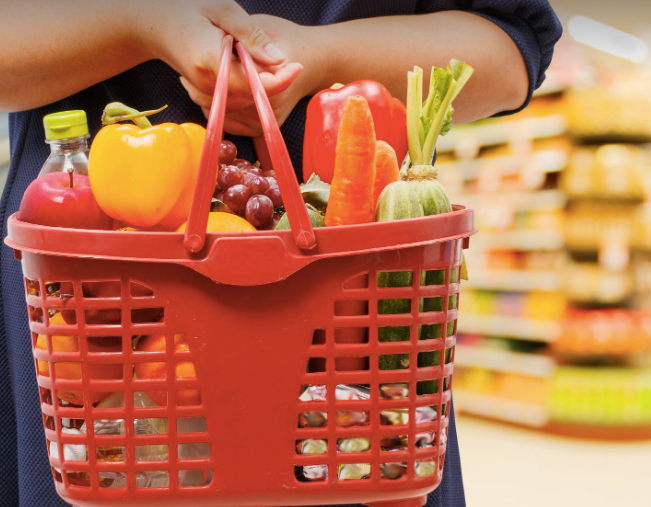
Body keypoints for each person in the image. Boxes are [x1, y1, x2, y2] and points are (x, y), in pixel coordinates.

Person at [0, 1, 561, 506]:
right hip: (90, 296)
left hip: (354, 304)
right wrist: (141, 24)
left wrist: (321, 57)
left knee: (367, 462)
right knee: (106, 465)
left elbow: (512, 49)